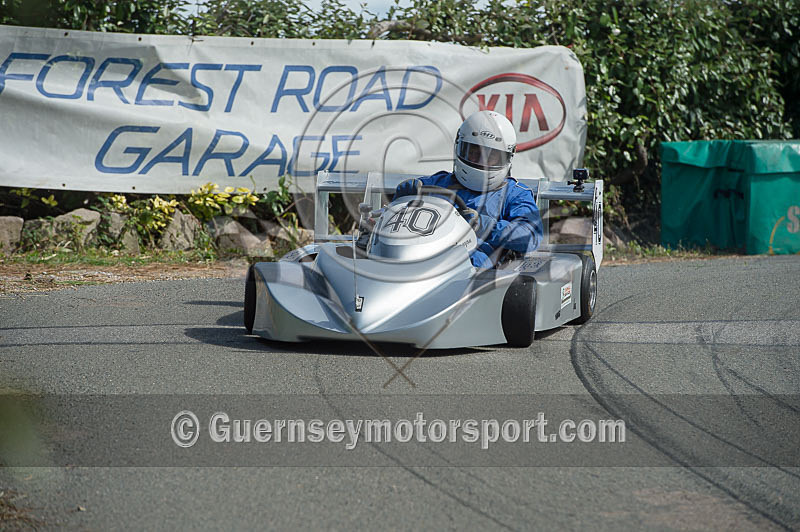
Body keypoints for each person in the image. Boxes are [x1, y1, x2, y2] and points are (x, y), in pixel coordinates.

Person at [393, 110, 543, 268]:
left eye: (490, 156)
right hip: (420, 259)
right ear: (460, 147)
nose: (480, 160)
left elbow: (531, 237)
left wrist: (483, 225)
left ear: (506, 157)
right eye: (473, 152)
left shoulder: (515, 194)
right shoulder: (435, 184)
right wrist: (400, 202)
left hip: (476, 275)